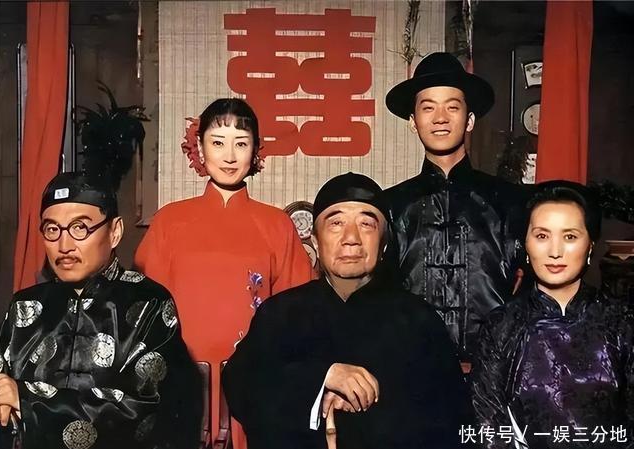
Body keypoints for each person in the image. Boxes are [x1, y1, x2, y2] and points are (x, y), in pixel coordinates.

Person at [222, 172, 474, 449]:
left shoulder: (418, 320)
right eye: (336, 223)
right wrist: (322, 378)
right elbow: (240, 385)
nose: (351, 238)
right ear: (315, 241)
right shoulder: (280, 313)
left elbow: (452, 418)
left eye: (366, 224)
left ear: (384, 244)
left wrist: (368, 410)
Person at [134, 98, 313, 448]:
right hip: (182, 382)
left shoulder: (277, 224)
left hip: (255, 382)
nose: (229, 156)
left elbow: (298, 313)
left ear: (255, 152)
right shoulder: (169, 220)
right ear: (200, 148)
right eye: (218, 143)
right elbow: (146, 313)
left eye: (241, 144)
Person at [0, 172, 202, 449]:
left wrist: (26, 401)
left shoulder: (149, 303)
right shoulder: (26, 305)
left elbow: (140, 408)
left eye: (80, 228)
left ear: (115, 232)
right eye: (52, 230)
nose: (64, 246)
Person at [384, 52, 526, 367]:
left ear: (470, 120)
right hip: (411, 371)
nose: (440, 118)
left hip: (495, 371)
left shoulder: (509, 201)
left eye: (452, 106)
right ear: (413, 122)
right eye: (428, 107)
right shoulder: (390, 206)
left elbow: (529, 291)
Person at [471, 181, 633, 449]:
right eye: (542, 236)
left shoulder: (622, 323)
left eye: (570, 237)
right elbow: (488, 426)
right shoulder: (501, 326)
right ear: (525, 244)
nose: (555, 252)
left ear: (590, 245)